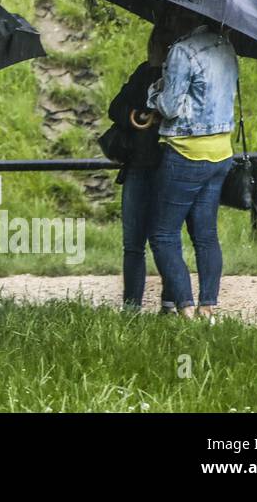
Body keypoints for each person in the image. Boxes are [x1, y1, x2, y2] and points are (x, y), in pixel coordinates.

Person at [147, 11, 238, 322]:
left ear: (182, 18)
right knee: (206, 235)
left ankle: (184, 307)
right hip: (221, 152)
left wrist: (154, 92)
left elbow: (170, 107)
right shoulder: (227, 46)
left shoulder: (182, 51)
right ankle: (208, 308)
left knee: (163, 234)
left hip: (187, 151)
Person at [107, 26, 173, 312]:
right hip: (138, 165)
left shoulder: (184, 75)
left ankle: (171, 302)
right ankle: (131, 306)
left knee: (166, 240)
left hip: (171, 166)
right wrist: (137, 116)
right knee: (132, 242)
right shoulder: (144, 72)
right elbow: (116, 108)